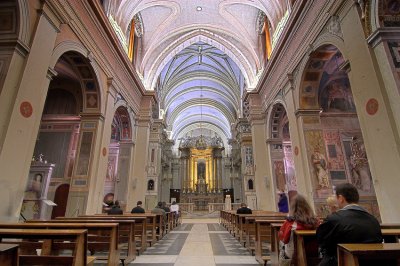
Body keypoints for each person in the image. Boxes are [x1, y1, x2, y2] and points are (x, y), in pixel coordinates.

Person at [316, 183, 382, 266]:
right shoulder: (373, 220)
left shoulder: (333, 219)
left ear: (340, 198)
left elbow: (321, 241)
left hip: (341, 262)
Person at [278, 195, 320, 264]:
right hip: (314, 252)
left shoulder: (289, 222)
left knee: (281, 244)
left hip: (294, 254)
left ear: (293, 208)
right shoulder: (316, 221)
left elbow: (283, 239)